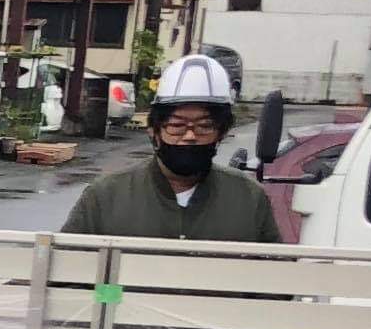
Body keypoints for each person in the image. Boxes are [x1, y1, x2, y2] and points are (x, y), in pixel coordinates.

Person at [63, 54, 281, 245]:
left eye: (204, 126)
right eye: (177, 126)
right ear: (154, 131)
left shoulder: (249, 198)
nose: (189, 136)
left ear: (221, 133)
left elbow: (277, 282)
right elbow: (66, 273)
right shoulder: (105, 196)